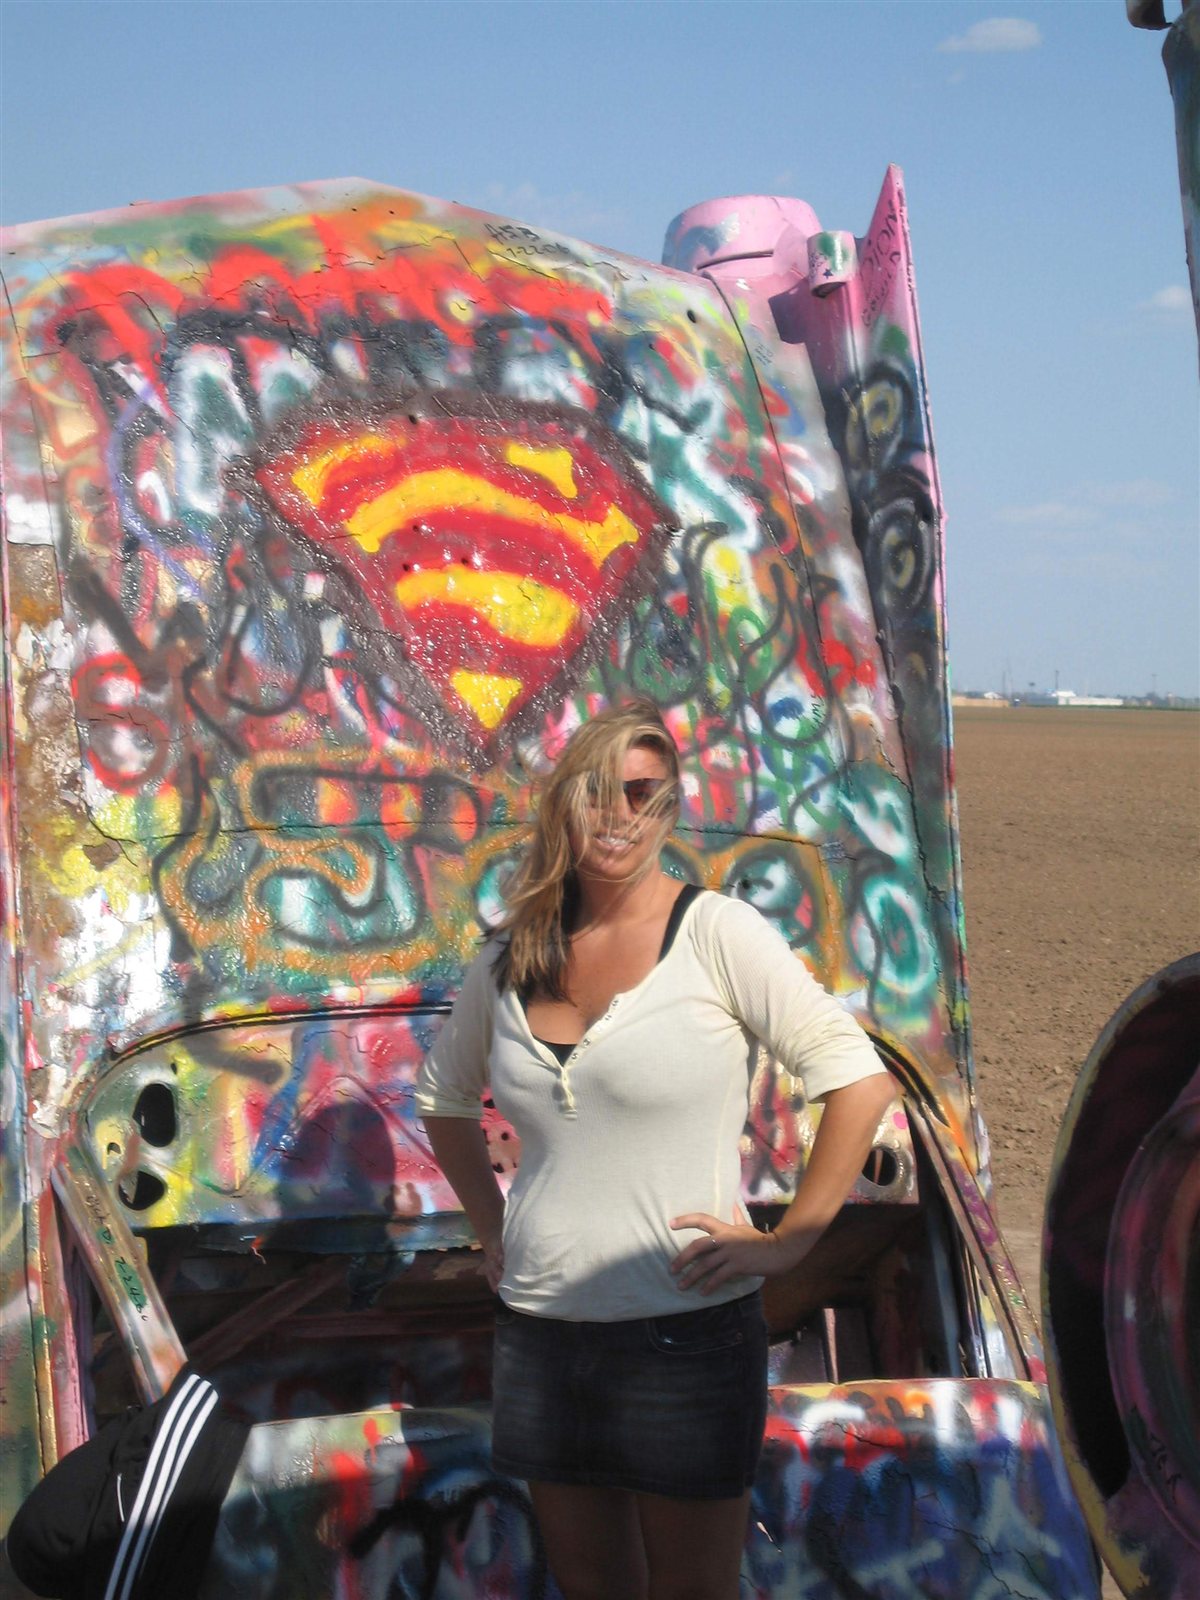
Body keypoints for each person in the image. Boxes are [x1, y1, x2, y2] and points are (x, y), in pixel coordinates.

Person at [417, 699, 895, 1600]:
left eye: (644, 792)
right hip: (541, 1333)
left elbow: (858, 1080)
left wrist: (792, 1236)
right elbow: (442, 1100)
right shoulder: (508, 957)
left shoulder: (717, 935)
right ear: (565, 801)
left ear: (668, 806)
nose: (620, 813)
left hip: (682, 1332)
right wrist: (492, 1228)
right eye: (599, 790)